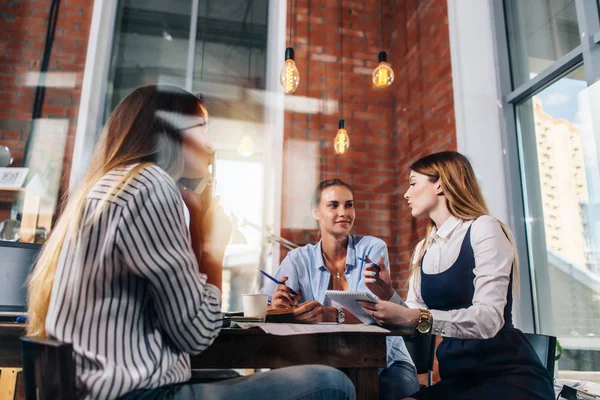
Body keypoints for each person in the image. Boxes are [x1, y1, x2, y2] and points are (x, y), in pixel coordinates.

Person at [26, 85, 355, 400]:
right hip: (136, 394)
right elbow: (197, 335)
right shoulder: (151, 184)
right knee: (333, 384)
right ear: (172, 132)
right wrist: (213, 246)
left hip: (95, 386)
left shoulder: (111, 186)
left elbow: (173, 315)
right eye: (203, 127)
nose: (211, 144)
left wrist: (197, 226)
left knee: (230, 377)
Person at [358, 151, 555, 400]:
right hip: (458, 379)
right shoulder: (423, 249)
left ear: (440, 183)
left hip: (508, 376)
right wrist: (388, 294)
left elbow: (488, 320)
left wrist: (413, 316)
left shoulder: (484, 228)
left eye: (412, 183)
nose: (406, 194)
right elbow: (415, 320)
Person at [261, 179, 420, 400]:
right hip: (326, 361)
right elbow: (262, 307)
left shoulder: (372, 248)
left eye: (349, 205)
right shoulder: (298, 259)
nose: (344, 212)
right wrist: (280, 309)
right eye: (333, 205)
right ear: (316, 212)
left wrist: (330, 315)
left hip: (385, 360)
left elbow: (376, 311)